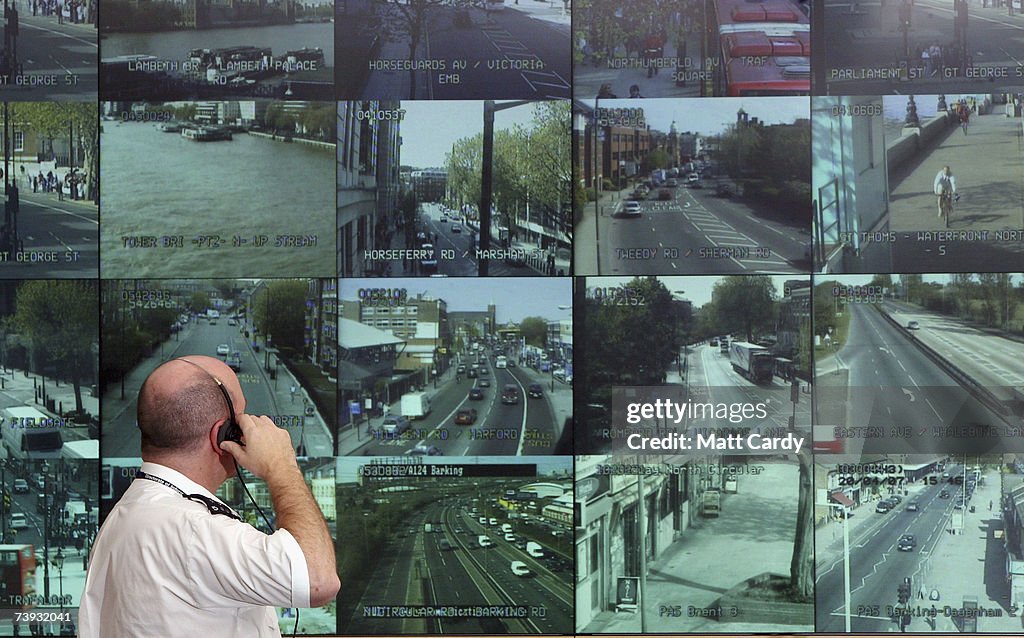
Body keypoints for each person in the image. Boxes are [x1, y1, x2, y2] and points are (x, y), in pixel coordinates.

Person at [79, 356, 340, 637]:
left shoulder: (122, 519)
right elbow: (318, 581)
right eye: (242, 418)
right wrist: (281, 465)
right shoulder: (193, 530)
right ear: (222, 435)